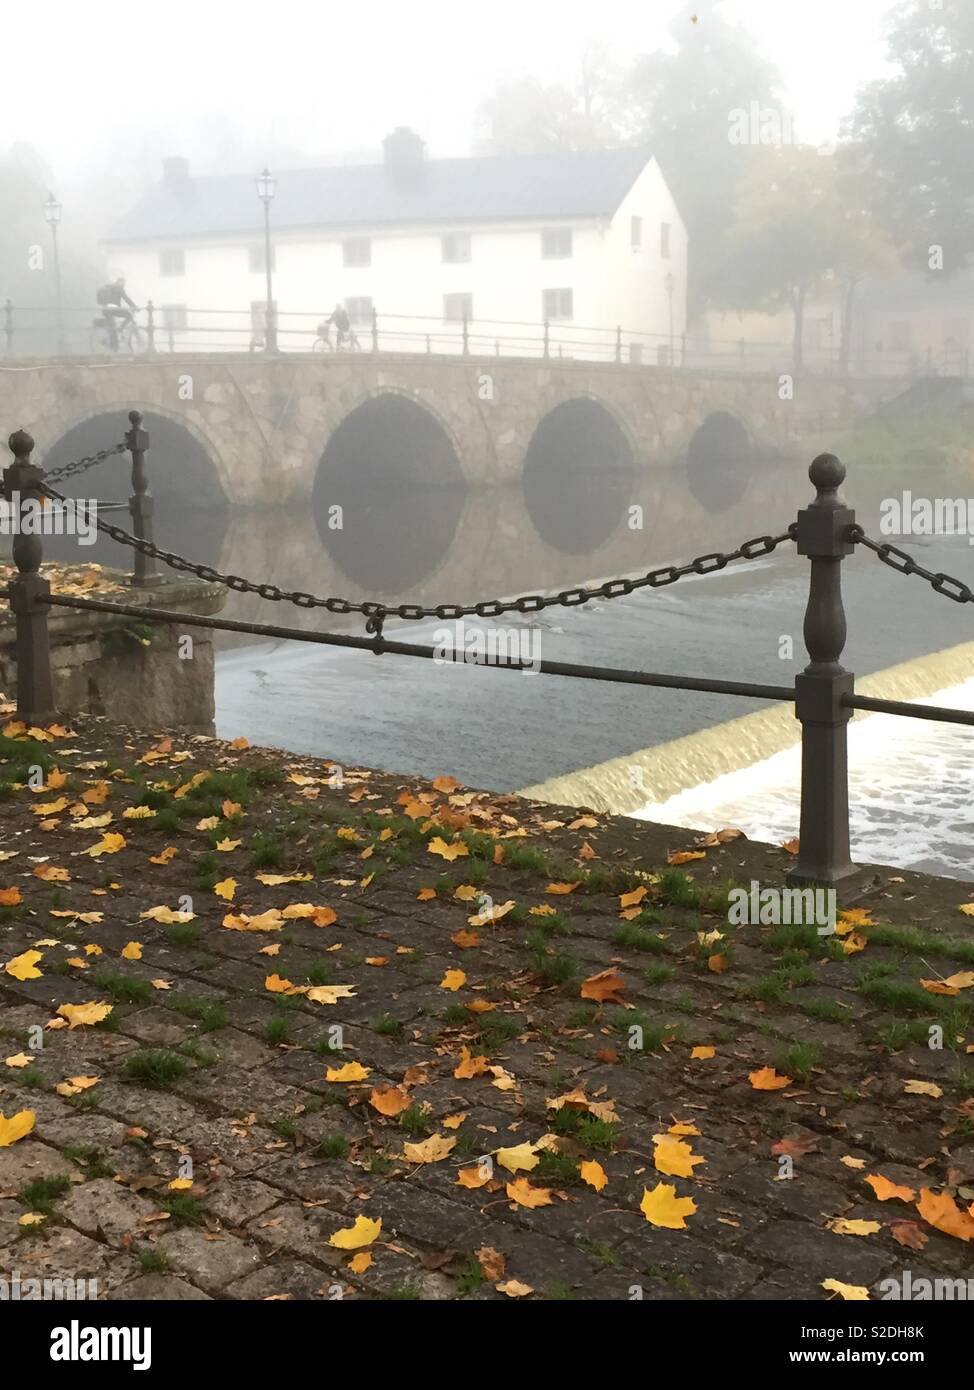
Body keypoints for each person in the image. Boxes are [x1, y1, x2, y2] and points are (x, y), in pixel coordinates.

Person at [96, 276, 139, 350]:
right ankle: (121, 328)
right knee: (129, 316)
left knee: (112, 326)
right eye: (123, 283)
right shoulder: (119, 288)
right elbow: (126, 299)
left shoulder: (109, 287)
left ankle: (114, 346)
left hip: (105, 309)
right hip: (113, 309)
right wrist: (135, 306)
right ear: (120, 282)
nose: (124, 285)